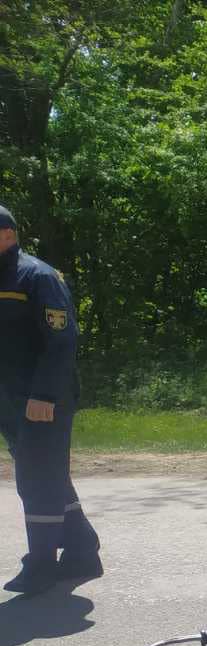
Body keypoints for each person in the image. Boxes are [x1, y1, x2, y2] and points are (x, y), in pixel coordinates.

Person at [0, 204, 101, 594]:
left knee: (37, 479)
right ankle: (81, 549)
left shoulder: (37, 276)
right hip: (9, 399)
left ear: (7, 234)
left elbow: (61, 341)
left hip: (42, 398)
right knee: (44, 476)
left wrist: (44, 394)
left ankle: (41, 564)